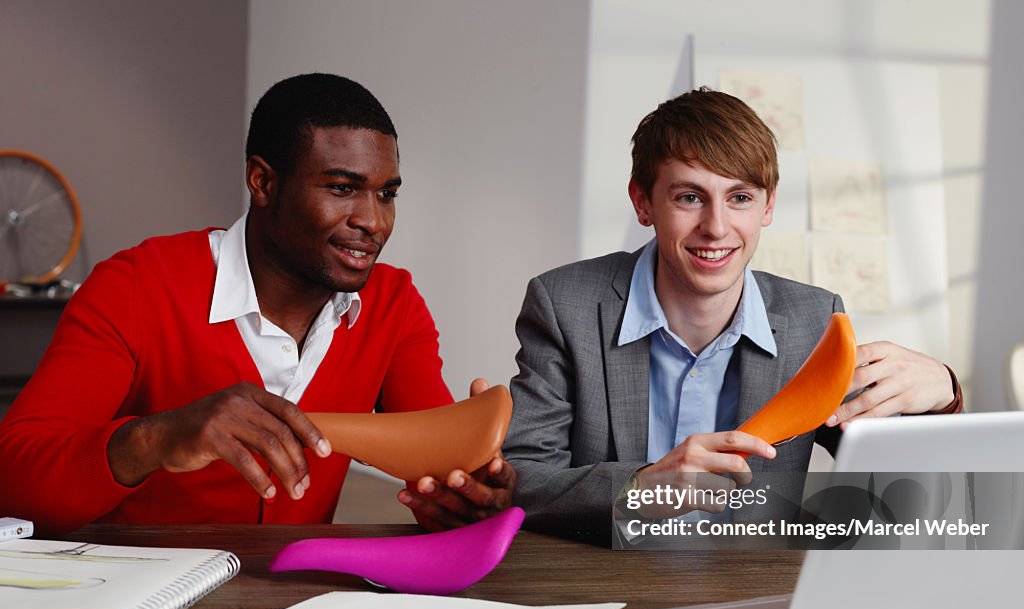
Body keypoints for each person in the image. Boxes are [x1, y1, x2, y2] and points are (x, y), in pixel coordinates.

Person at [0, 73, 513, 534]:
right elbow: (15, 478)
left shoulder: (394, 303)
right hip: (136, 605)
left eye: (386, 194)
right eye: (341, 188)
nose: (373, 221)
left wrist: (458, 496)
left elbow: (432, 467)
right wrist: (158, 438)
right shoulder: (135, 285)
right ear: (263, 182)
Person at [503, 88, 961, 545]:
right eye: (689, 197)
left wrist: (945, 397)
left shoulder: (815, 320)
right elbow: (521, 481)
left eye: (739, 197)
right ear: (643, 203)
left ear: (769, 205)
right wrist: (641, 490)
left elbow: (906, 486)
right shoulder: (565, 304)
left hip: (745, 596)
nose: (717, 227)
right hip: (604, 590)